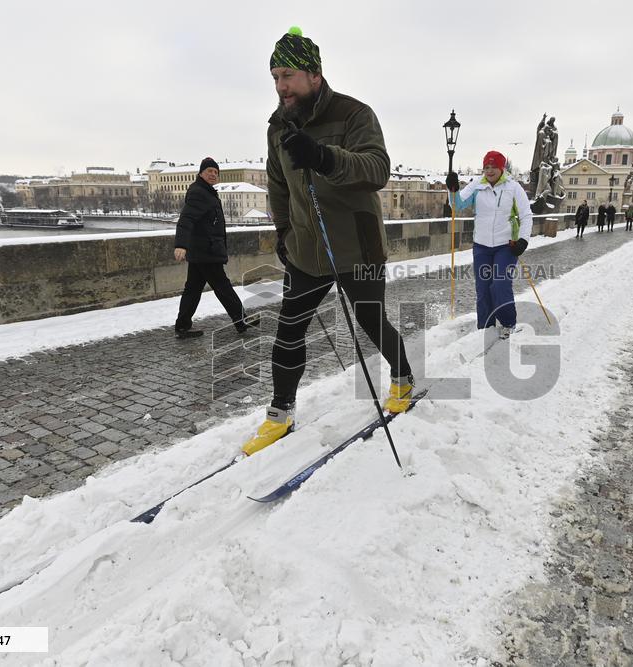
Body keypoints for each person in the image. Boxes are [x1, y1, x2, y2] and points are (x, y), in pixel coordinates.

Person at [242, 27, 414, 455]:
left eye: (287, 75)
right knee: (288, 333)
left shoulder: (355, 113)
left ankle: (403, 376)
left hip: (360, 247)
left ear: (313, 74)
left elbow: (377, 168)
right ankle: (280, 414)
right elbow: (278, 185)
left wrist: (323, 156)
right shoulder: (278, 127)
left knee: (372, 322)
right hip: (306, 250)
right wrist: (283, 231)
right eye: (274, 77)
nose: (280, 86)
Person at [173, 157, 258, 339]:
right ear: (201, 173)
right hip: (206, 251)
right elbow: (186, 219)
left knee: (193, 289)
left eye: (215, 172)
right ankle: (240, 320)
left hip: (202, 250)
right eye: (209, 171)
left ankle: (182, 325)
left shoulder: (206, 192)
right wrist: (180, 244)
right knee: (222, 287)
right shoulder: (199, 193)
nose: (213, 174)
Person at [454, 150, 533, 339]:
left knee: (499, 284)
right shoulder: (477, 186)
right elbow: (457, 205)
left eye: (493, 167)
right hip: (481, 246)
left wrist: (523, 240)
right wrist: (453, 190)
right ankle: (486, 327)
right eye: (486, 167)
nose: (489, 171)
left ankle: (508, 324)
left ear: (502, 168)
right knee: (483, 289)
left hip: (506, 245)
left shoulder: (513, 188)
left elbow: (526, 215)